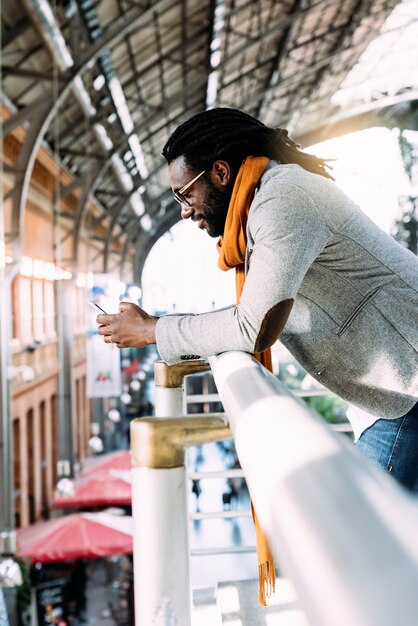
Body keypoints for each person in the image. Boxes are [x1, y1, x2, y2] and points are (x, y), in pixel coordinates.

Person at [97, 107, 418, 494]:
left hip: (407, 379)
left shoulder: (282, 199)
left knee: (369, 532)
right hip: (390, 388)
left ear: (220, 172)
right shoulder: (265, 202)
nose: (184, 211)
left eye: (186, 194)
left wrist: (153, 330)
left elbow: (253, 325)